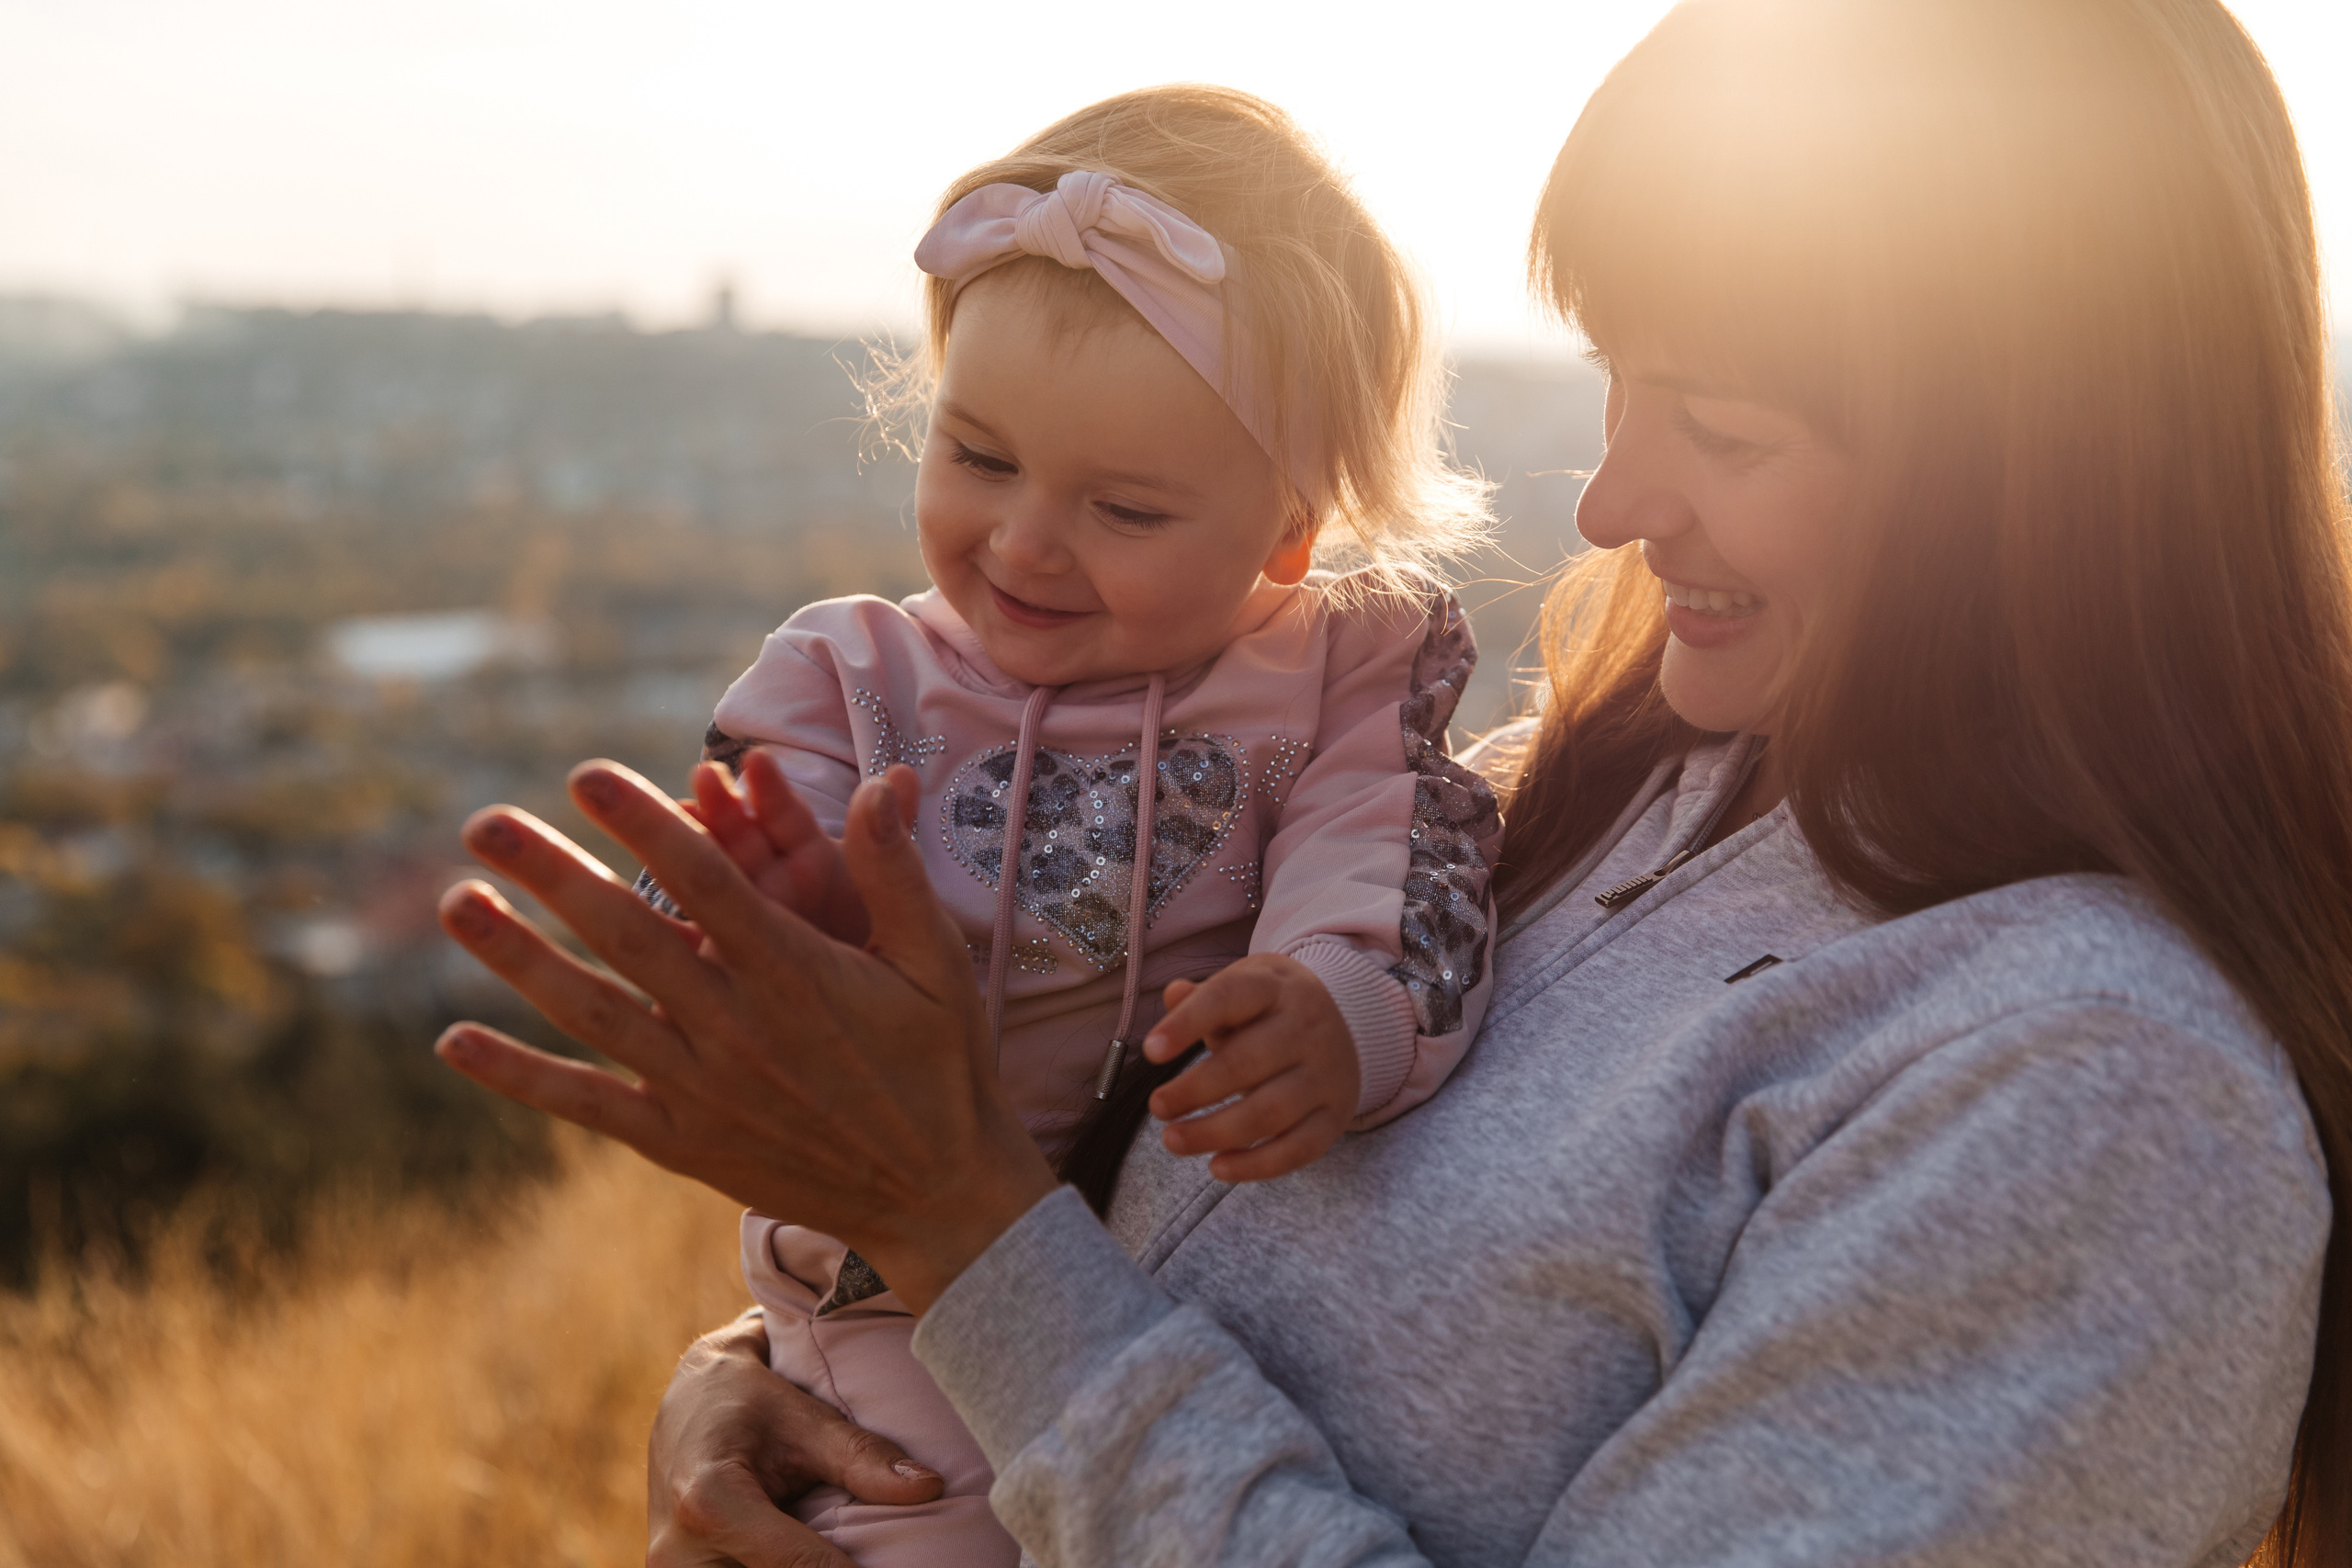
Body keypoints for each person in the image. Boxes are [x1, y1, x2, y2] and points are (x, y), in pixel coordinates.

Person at [435, 0, 2352, 1562]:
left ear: (2044, 474)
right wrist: (784, 1387)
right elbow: (1133, 1260)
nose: (1607, 500)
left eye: (1726, 423)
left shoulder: (2094, 1104)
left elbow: (1025, 1273)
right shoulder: (1594, 796)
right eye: (1613, 381)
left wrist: (953, 1230)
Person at [621, 85, 1500, 1566]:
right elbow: (726, 957)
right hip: (895, 1289)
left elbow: (1399, 868)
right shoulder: (848, 681)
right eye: (978, 457)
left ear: (1286, 528)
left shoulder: (1338, 676)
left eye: (1127, 510)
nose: (1025, 540)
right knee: (921, 1529)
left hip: (1217, 1248)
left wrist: (1334, 1005)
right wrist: (791, 912)